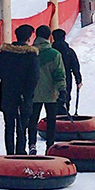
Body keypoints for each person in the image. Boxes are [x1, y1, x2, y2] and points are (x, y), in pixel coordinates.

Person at [0, 24, 40, 155]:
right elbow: (34, 79)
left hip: (7, 97)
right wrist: (26, 95)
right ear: (29, 37)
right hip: (24, 99)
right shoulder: (31, 56)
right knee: (22, 127)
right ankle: (20, 153)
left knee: (9, 126)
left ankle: (9, 153)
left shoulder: (4, 55)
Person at [28, 24, 66, 153]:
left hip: (33, 93)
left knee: (32, 120)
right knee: (51, 120)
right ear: (49, 36)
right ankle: (50, 145)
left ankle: (32, 144)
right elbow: (59, 74)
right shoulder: (55, 54)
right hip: (51, 93)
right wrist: (62, 89)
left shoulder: (30, 53)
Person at [52, 28, 82, 114]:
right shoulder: (69, 51)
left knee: (52, 101)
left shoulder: (51, 51)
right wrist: (78, 80)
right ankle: (64, 117)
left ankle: (53, 119)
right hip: (66, 77)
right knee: (65, 97)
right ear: (64, 37)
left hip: (52, 78)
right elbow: (75, 66)